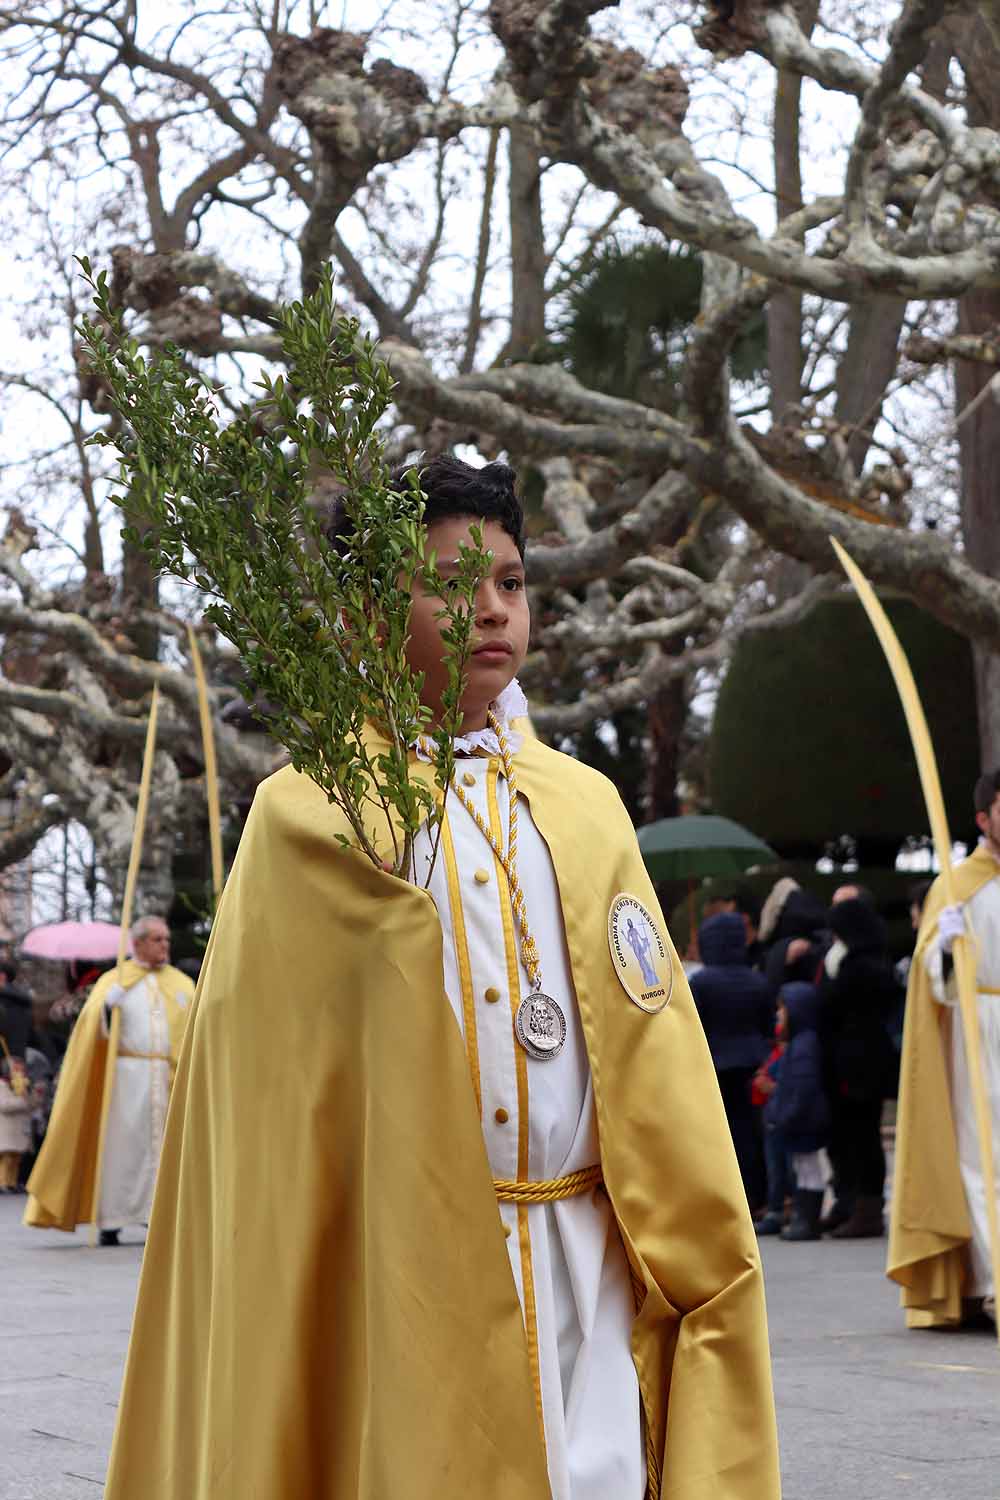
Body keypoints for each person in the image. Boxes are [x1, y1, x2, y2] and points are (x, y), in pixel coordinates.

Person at [104, 456, 780, 1500]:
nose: (496, 609)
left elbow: (647, 1025)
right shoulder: (312, 811)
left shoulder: (586, 805)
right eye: (457, 584)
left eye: (511, 582)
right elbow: (275, 1093)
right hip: (399, 1271)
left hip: (583, 1250)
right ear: (373, 607)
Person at [889, 768, 1000, 1327]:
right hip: (978, 1031)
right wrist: (945, 951)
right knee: (982, 1157)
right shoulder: (956, 887)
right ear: (984, 819)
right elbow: (932, 978)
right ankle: (991, 1281)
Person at [24, 916, 194, 1245]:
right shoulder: (115, 981)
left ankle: (153, 1216)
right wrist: (104, 1009)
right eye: (158, 939)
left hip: (167, 1077)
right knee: (123, 1148)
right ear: (139, 943)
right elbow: (90, 1029)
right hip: (127, 1079)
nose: (165, 946)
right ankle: (112, 1218)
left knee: (161, 1150)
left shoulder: (181, 984)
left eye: (167, 940)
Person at [819, 898, 901, 1238]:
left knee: (860, 1137)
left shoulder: (856, 967)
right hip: (869, 1063)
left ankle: (865, 1211)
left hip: (855, 1066)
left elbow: (835, 1009)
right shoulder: (878, 963)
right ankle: (858, 1207)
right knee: (860, 1136)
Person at [689, 911, 774, 1210]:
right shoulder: (757, 980)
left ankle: (730, 1199)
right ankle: (760, 1196)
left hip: (715, 1066)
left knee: (721, 1137)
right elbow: (767, 1025)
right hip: (754, 1064)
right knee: (754, 1132)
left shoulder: (701, 981)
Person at [771, 982, 831, 1242]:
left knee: (809, 1168)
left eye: (782, 1010)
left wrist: (789, 1115)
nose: (779, 1015)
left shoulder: (804, 1045)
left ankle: (808, 1218)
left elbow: (803, 1085)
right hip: (800, 1118)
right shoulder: (801, 1042)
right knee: (803, 1167)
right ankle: (804, 1216)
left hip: (803, 1120)